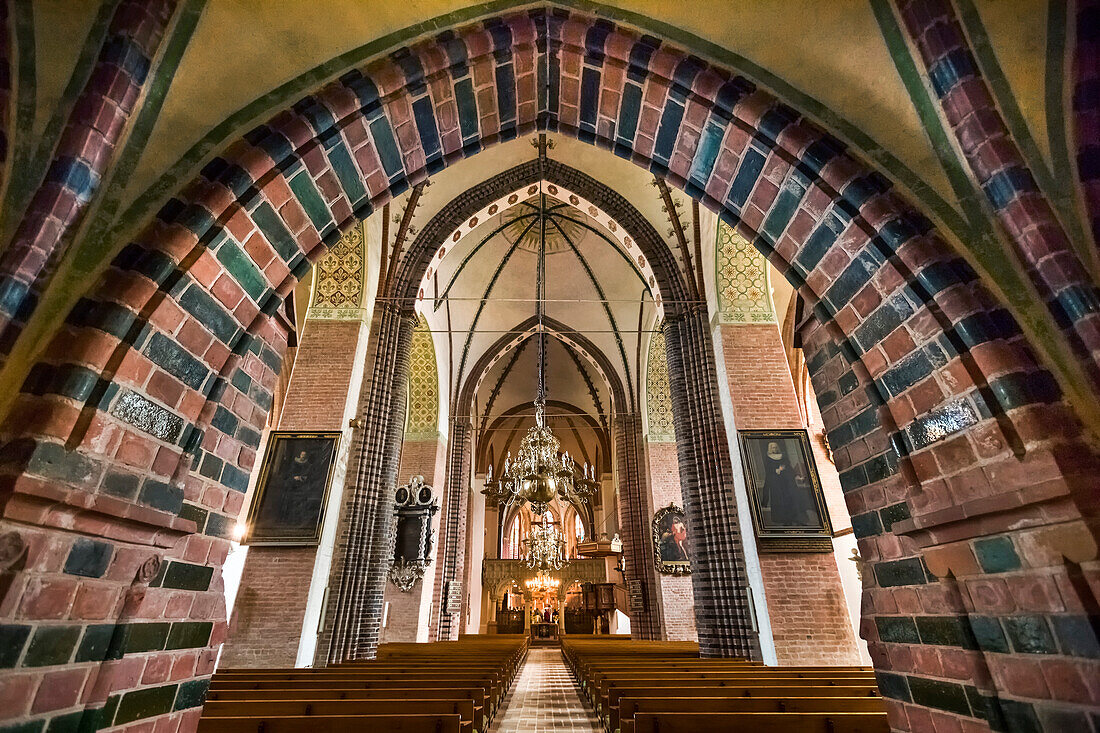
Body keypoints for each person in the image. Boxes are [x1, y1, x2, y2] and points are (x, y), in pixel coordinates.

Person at [759, 440, 818, 527]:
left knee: (794, 501)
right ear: (770, 449)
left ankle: (798, 520)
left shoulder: (783, 457)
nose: (774, 449)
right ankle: (787, 521)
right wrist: (777, 470)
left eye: (775, 447)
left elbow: (789, 468)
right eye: (772, 447)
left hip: (788, 482)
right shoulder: (768, 458)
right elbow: (769, 471)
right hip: (777, 483)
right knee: (782, 502)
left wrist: (796, 476)